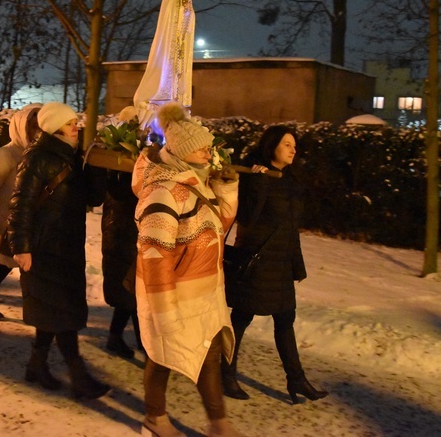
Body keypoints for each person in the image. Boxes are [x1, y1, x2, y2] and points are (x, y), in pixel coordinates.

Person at [132, 103, 243, 437]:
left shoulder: (197, 183)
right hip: (173, 295)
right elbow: (154, 254)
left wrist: (225, 191)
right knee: (163, 356)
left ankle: (219, 424)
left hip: (204, 292)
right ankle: (155, 419)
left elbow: (216, 229)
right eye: (202, 146)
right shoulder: (163, 191)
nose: (210, 152)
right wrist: (164, 312)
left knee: (208, 353)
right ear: (181, 150)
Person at [5, 102, 108, 399]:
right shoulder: (37, 157)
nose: (76, 125)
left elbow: (94, 198)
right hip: (43, 248)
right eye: (69, 122)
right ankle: (78, 376)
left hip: (67, 247)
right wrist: (21, 247)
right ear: (52, 127)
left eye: (75, 120)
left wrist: (97, 166)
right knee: (62, 313)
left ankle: (36, 366)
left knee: (52, 311)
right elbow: (20, 206)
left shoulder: (73, 156)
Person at [224, 125, 329, 404]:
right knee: (241, 318)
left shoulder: (291, 180)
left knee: (285, 319)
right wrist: (257, 184)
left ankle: (297, 380)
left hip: (281, 263)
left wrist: (296, 263)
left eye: (294, 145)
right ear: (271, 147)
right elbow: (246, 217)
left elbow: (290, 227)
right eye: (286, 144)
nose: (293, 149)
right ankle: (226, 374)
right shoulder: (255, 175)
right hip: (257, 261)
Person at [133, 0, 216, 129]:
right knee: (165, 72)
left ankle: (176, 102)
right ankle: (160, 97)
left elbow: (189, 21)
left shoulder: (188, 0)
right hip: (170, 43)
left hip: (180, 47)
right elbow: (168, 18)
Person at [0, 104, 41, 320]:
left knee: (30, 265)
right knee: (5, 262)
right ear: (21, 127)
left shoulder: (40, 154)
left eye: (40, 125)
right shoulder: (7, 154)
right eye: (32, 126)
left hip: (32, 220)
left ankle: (32, 307)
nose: (37, 130)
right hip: (9, 220)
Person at [101, 106, 142, 358]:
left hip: (129, 227)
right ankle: (135, 340)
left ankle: (123, 338)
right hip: (122, 228)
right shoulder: (117, 156)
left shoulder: (133, 155)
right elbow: (118, 192)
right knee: (129, 287)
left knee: (133, 288)